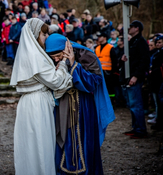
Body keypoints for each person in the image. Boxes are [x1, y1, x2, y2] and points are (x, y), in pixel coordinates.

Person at [45, 33, 115, 175]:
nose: (56, 59)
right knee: (64, 140)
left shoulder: (86, 55)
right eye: (53, 58)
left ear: (67, 48)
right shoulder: (52, 60)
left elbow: (94, 82)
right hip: (63, 106)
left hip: (83, 107)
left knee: (82, 141)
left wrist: (73, 64)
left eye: (58, 55)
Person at [10, 18, 73, 175]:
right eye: (44, 34)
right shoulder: (35, 56)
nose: (46, 37)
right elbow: (56, 81)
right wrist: (64, 62)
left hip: (31, 102)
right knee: (40, 144)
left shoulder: (33, 54)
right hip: (36, 104)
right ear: (34, 34)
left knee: (33, 145)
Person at [121, 20, 150, 139]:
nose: (129, 28)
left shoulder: (141, 42)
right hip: (130, 77)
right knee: (132, 105)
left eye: (131, 27)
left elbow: (144, 61)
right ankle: (136, 127)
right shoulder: (133, 41)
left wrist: (136, 76)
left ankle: (141, 130)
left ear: (137, 28)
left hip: (134, 77)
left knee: (136, 105)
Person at [147, 36, 163, 125]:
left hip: (159, 79)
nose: (158, 44)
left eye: (160, 42)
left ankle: (159, 120)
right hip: (154, 79)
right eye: (157, 42)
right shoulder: (156, 53)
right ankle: (158, 118)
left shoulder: (160, 53)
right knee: (156, 101)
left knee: (159, 101)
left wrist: (153, 70)